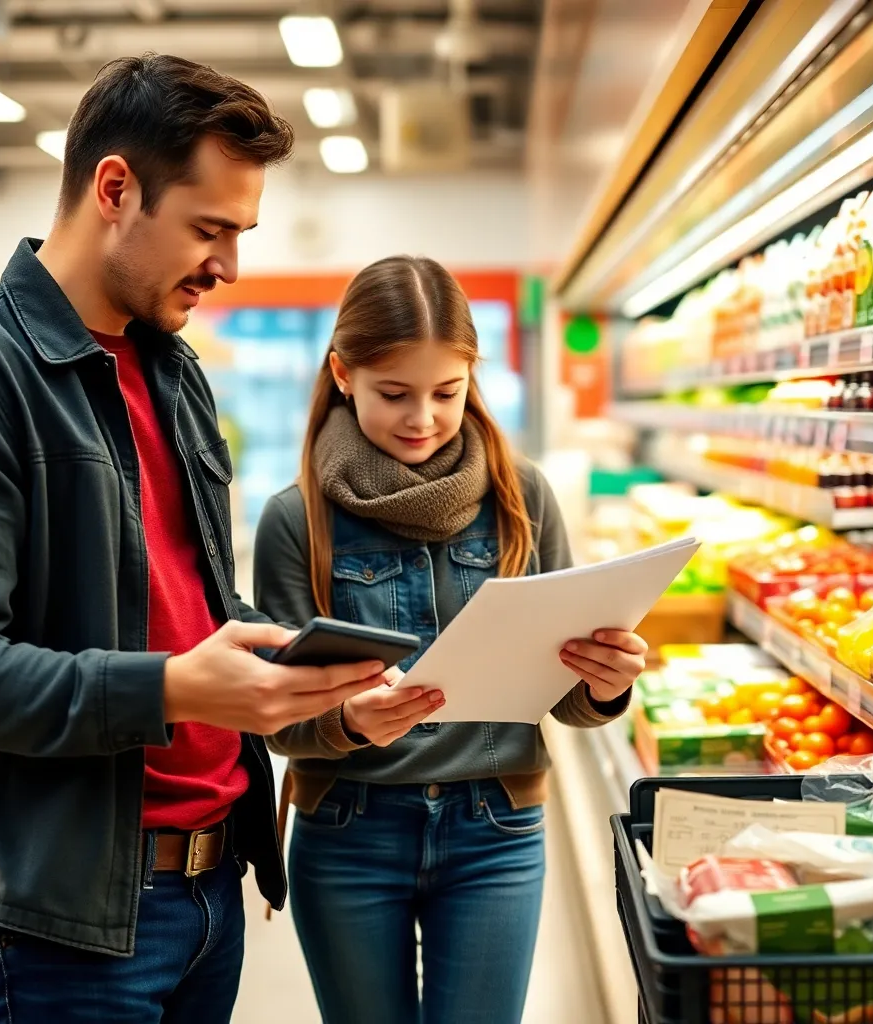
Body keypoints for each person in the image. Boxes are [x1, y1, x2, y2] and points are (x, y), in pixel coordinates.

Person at [0, 54, 389, 1024]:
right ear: (114, 188)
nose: (229, 266)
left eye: (240, 234)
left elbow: (199, 608)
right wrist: (169, 686)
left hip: (209, 890)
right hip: (55, 923)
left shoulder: (173, 372)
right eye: (210, 230)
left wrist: (324, 698)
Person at [253, 255, 648, 1024]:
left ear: (474, 376)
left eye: (447, 392)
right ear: (342, 373)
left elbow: (565, 697)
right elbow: (274, 713)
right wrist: (344, 721)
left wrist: (605, 681)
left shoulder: (521, 496)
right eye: (393, 393)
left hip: (495, 829)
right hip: (349, 830)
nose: (423, 419)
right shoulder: (297, 520)